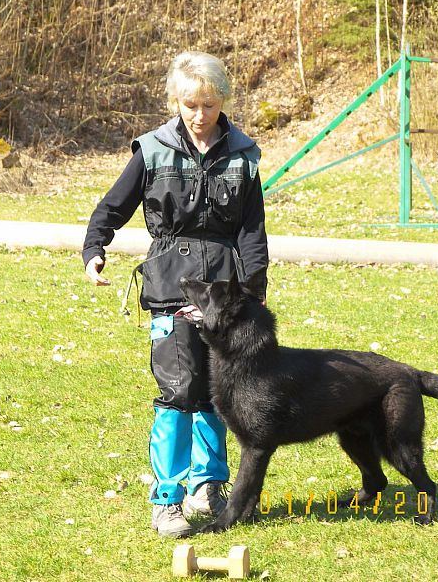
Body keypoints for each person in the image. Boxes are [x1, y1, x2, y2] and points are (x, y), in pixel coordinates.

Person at [82, 51, 268, 537]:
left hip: (225, 297)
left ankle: (209, 487)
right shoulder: (152, 150)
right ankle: (167, 499)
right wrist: (94, 250)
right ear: (175, 102)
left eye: (208, 103)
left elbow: (252, 230)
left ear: (221, 100)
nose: (200, 115)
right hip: (169, 287)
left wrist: (253, 292)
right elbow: (111, 208)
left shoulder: (243, 155)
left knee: (217, 390)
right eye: (191, 104)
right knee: (178, 389)